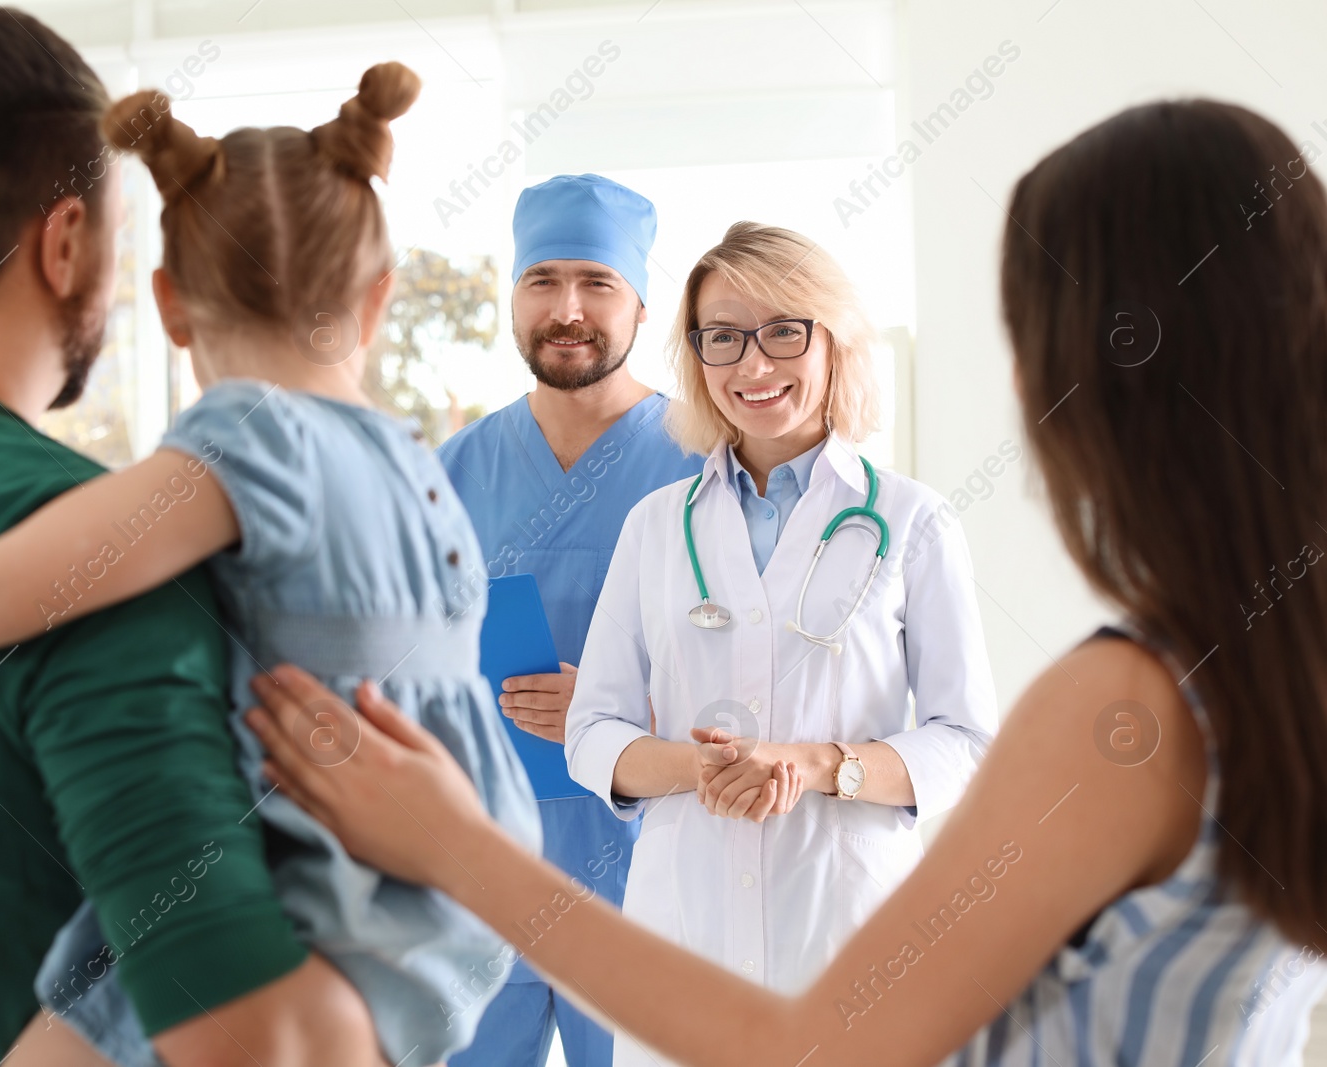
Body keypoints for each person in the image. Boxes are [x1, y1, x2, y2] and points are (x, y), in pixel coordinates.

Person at [242, 97, 1327, 1066]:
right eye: (722, 337)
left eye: (1027, 335)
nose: (750, 362)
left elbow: (815, 1042)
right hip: (665, 898)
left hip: (785, 911)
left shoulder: (1116, 699)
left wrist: (457, 847)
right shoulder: (1279, 671)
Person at [0, 60, 542, 1067]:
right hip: (462, 876)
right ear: (377, 300)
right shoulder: (416, 462)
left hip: (328, 875)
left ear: (170, 305)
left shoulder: (246, 443)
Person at [556, 221, 996, 1065]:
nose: (753, 366)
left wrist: (814, 765)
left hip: (851, 939)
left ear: (834, 343)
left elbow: (964, 741)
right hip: (681, 945)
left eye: (784, 331)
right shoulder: (655, 527)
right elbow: (591, 731)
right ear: (696, 355)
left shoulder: (911, 521)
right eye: (723, 337)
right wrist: (706, 771)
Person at [437, 173, 702, 1067]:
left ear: (638, 303)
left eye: (597, 283)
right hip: (485, 882)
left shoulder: (702, 468)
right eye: (542, 280)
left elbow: (767, 678)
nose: (568, 308)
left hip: (646, 876)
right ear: (512, 296)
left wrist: (614, 712)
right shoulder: (450, 473)